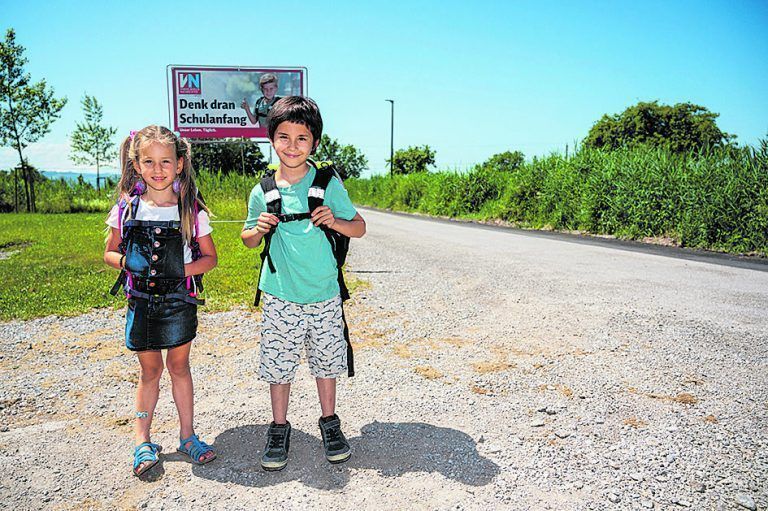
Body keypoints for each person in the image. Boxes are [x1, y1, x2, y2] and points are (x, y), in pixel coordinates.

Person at [241, 97, 366, 471]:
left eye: (301, 138)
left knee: (327, 364)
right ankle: (279, 428)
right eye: (284, 137)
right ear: (272, 139)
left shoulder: (327, 184)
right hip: (280, 295)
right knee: (278, 366)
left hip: (325, 293)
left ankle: (330, 423)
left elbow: (358, 227)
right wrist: (256, 230)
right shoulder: (262, 189)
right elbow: (248, 238)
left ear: (314, 143)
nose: (292, 146)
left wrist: (335, 221)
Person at [104, 125, 218, 476]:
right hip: (140, 303)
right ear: (136, 165)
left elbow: (210, 259)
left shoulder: (190, 210)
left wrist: (181, 268)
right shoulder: (127, 208)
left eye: (165, 161)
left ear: (179, 164)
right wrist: (126, 262)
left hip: (178, 302)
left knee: (179, 368)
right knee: (149, 370)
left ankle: (187, 436)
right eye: (149, 161)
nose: (158, 169)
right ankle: (142, 440)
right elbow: (109, 252)